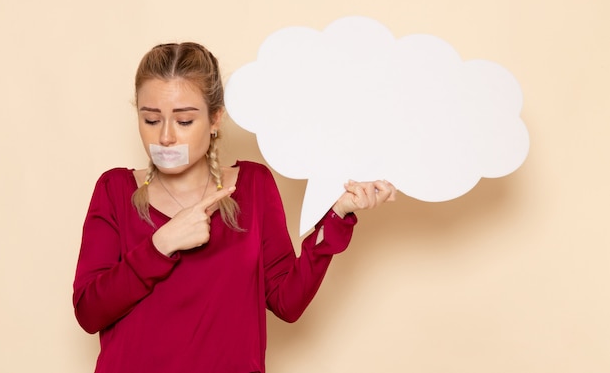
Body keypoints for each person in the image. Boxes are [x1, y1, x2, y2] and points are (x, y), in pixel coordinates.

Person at [73, 42, 396, 373]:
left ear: (215, 119)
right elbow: (89, 311)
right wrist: (161, 244)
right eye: (151, 119)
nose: (166, 137)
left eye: (184, 121)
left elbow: (287, 301)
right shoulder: (114, 191)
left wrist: (338, 213)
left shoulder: (253, 186)